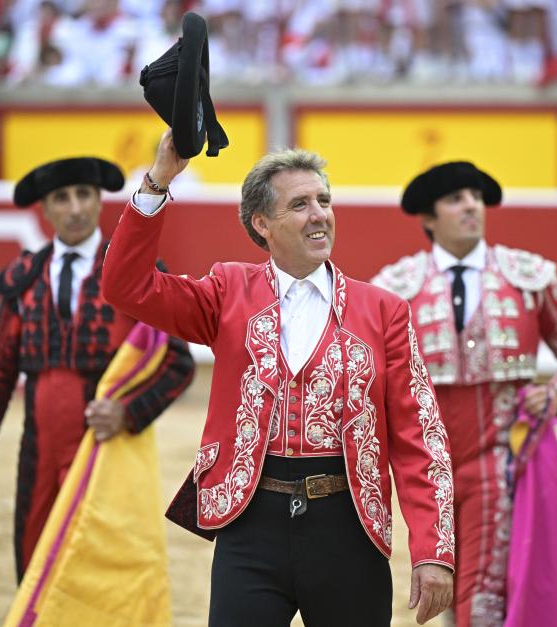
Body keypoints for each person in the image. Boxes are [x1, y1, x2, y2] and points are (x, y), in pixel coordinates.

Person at [101, 131, 455, 626]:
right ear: (262, 223)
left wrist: (433, 551)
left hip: (349, 527)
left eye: (324, 201)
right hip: (251, 523)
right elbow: (126, 286)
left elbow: (420, 436)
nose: (319, 214)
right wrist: (159, 180)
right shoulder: (227, 291)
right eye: (300, 204)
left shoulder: (385, 311)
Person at [371, 161, 557, 626]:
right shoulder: (394, 288)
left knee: (481, 595)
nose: (471, 205)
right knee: (442, 586)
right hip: (423, 466)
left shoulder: (529, 277)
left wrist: (556, 395)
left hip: (497, 457)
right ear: (429, 218)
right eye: (456, 199)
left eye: (475, 196)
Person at [0, 156, 195, 581]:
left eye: (84, 195)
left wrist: (129, 412)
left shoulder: (132, 275)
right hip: (39, 449)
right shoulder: (25, 280)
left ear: (99, 201)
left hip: (108, 449)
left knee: (105, 569)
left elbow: (177, 363)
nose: (76, 208)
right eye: (61, 199)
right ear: (45, 210)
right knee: (35, 563)